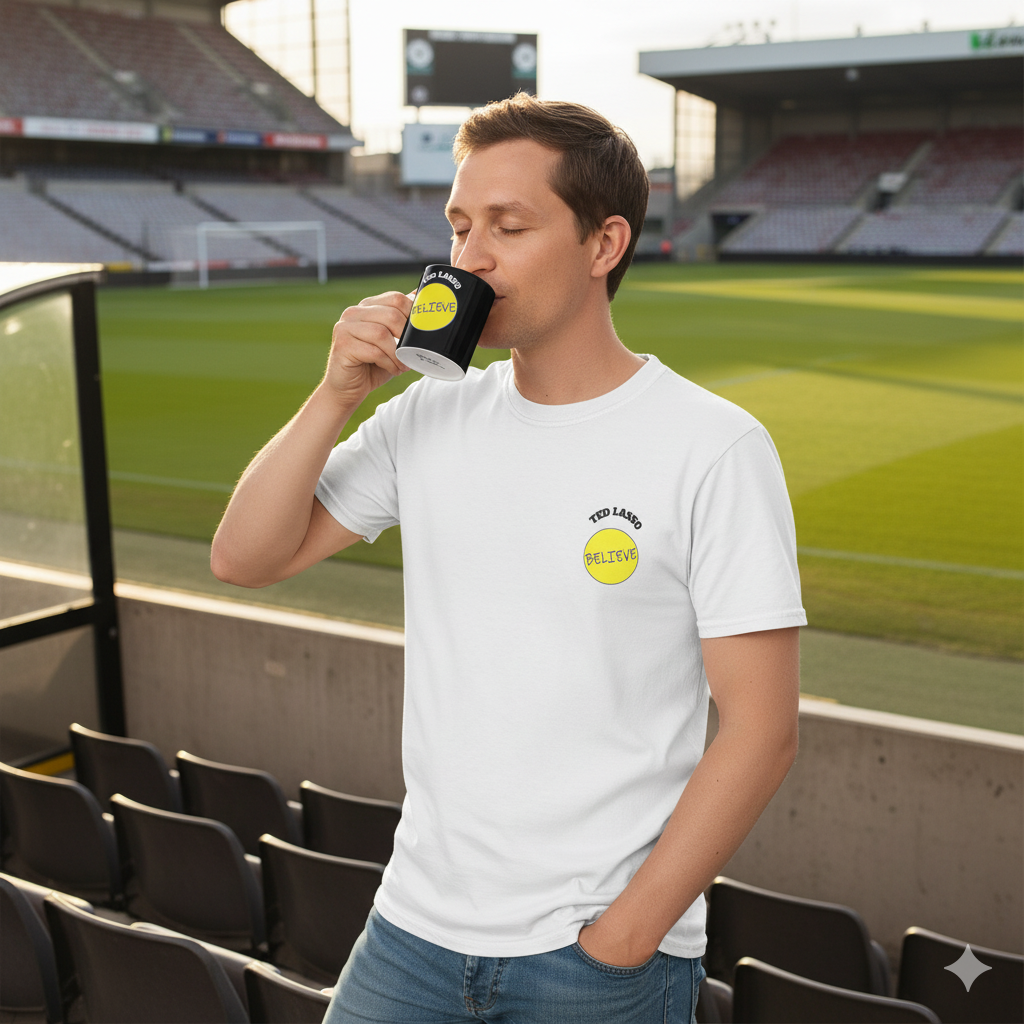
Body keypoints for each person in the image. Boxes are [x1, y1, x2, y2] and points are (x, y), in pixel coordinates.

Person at [211, 94, 806, 1023]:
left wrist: (624, 937)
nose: (468, 257)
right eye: (458, 224)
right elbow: (245, 557)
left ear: (604, 244)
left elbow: (763, 728)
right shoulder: (429, 415)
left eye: (509, 226)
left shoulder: (713, 446)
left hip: (595, 959)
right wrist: (335, 396)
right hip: (411, 931)